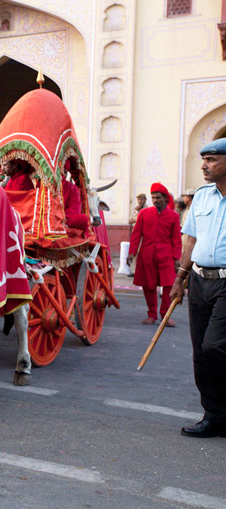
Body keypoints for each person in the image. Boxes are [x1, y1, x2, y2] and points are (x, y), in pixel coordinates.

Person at [169, 138, 226, 438]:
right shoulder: (202, 197)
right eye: (203, 159)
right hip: (199, 281)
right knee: (200, 353)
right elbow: (191, 239)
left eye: (212, 159)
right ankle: (214, 416)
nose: (204, 165)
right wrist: (180, 278)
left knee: (214, 346)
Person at [128, 182, 181, 326]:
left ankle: (165, 315)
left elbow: (176, 239)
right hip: (147, 255)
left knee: (169, 285)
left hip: (167, 256)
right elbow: (136, 234)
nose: (155, 201)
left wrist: (177, 257)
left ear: (165, 198)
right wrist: (132, 252)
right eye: (153, 198)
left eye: (158, 198)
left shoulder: (174, 216)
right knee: (148, 285)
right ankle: (152, 314)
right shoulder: (144, 213)